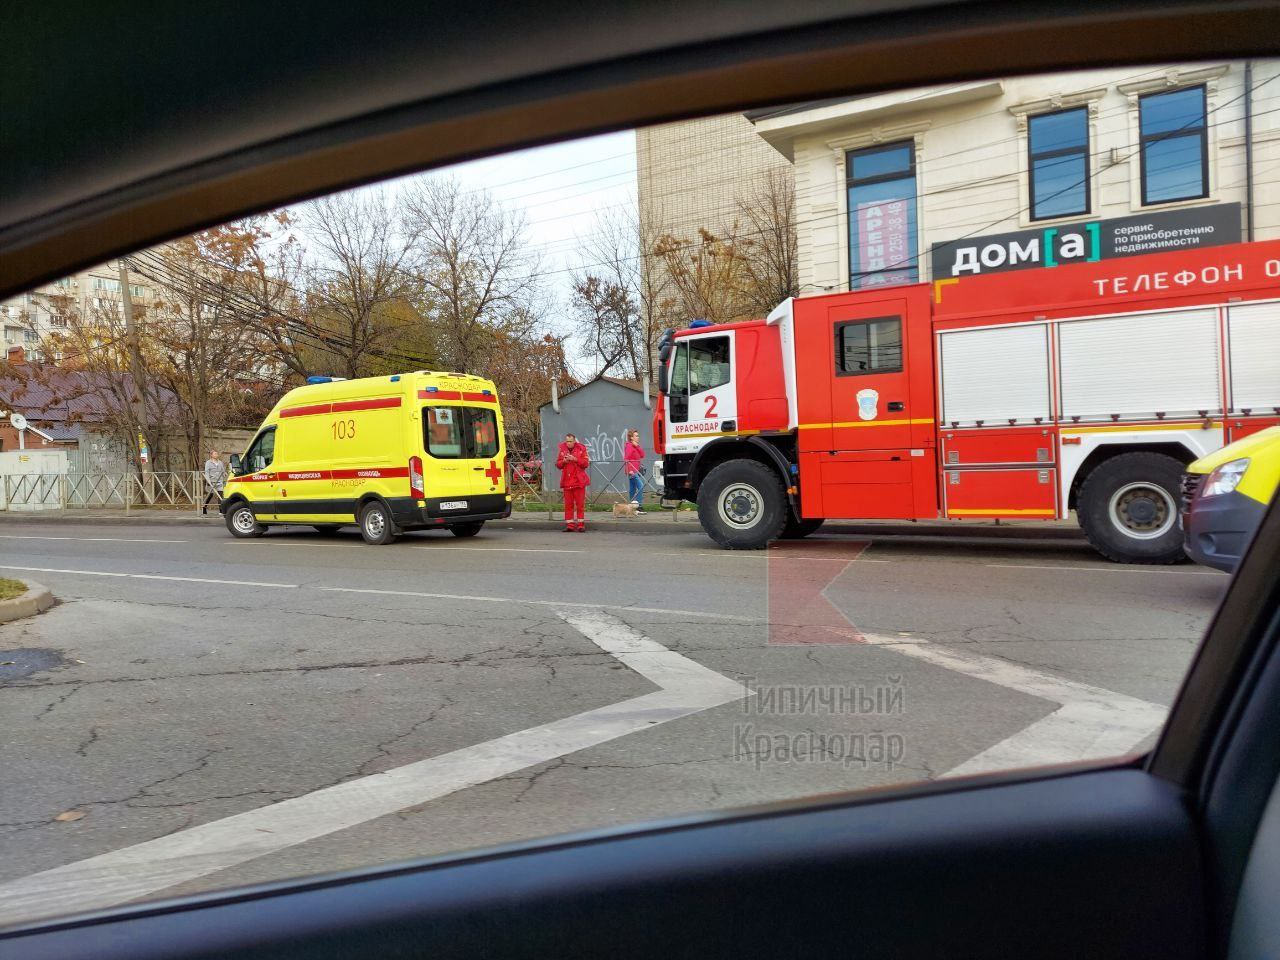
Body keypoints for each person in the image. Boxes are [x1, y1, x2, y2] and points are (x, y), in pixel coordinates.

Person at [556, 433, 590, 532]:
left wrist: (575, 459)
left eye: (570, 441)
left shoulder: (581, 449)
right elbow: (558, 464)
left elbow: (585, 463)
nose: (568, 443)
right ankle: (569, 525)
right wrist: (564, 461)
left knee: (580, 504)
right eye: (567, 441)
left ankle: (580, 525)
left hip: (579, 481)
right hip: (567, 481)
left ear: (574, 441)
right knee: (568, 505)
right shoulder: (562, 449)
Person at [624, 429, 646, 513]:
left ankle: (631, 507)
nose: (638, 437)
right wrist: (629, 470)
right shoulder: (629, 446)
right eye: (636, 436)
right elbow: (626, 459)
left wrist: (637, 446)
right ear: (631, 438)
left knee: (632, 489)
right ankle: (638, 506)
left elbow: (642, 455)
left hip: (636, 470)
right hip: (632, 471)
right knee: (641, 486)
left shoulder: (635, 446)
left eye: (638, 435)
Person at [202, 449, 227, 516]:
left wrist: (225, 473)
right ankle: (204, 507)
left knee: (220, 495)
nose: (216, 455)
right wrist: (209, 481)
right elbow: (206, 473)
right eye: (215, 454)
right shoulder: (208, 463)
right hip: (212, 482)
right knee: (210, 495)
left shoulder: (220, 462)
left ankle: (221, 510)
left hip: (219, 481)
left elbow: (223, 471)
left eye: (217, 454)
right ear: (211, 455)